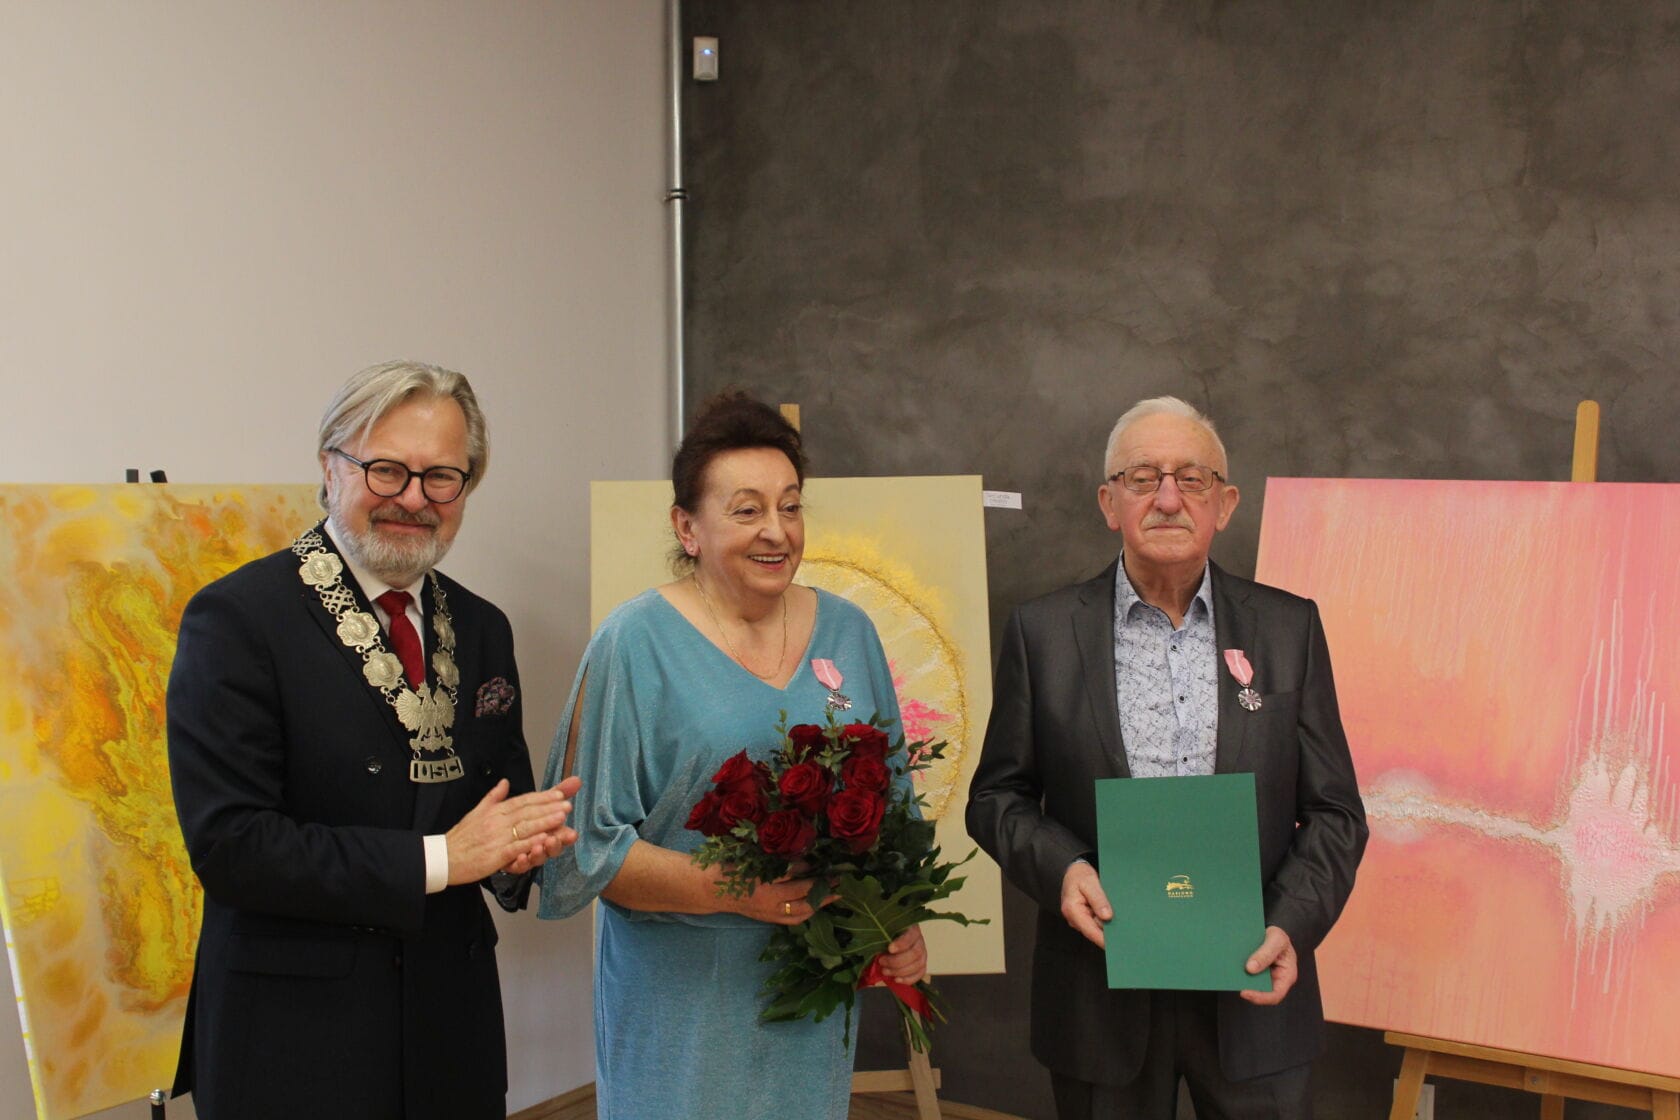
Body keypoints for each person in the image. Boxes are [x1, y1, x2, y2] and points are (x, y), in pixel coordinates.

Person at [167, 360, 583, 1120]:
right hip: (294, 1041)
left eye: (442, 477)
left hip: (451, 1026)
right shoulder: (237, 619)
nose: (414, 499)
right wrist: (445, 858)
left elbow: (495, 796)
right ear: (330, 468)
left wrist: (522, 847)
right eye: (386, 469)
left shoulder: (483, 626)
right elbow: (233, 847)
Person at [966, 396, 1368, 1120]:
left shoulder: (1288, 628)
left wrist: (1289, 924)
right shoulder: (1043, 633)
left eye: (1192, 478)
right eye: (1143, 477)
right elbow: (997, 798)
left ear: (1225, 503)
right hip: (1099, 991)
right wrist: (1064, 871)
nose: (1168, 498)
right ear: (1109, 502)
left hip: (1252, 985)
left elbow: (1336, 813)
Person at [538, 391, 927, 1120]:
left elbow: (894, 807)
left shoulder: (849, 631)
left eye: (791, 506)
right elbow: (582, 847)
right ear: (686, 527)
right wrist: (733, 888)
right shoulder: (634, 644)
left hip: (810, 991)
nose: (776, 531)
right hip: (682, 1003)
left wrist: (894, 920)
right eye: (747, 510)